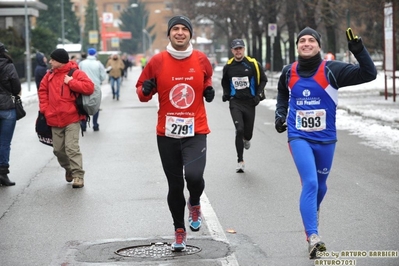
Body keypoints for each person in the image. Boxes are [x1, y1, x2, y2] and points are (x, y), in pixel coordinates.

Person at [274, 27, 377, 259]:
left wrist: (358, 49)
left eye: (312, 40)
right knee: (309, 183)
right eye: (302, 40)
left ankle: (311, 212)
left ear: (319, 46)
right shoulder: (288, 71)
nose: (307, 43)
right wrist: (281, 114)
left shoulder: (332, 70)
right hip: (298, 136)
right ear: (297, 45)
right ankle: (313, 236)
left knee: (321, 186)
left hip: (326, 139)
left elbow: (369, 74)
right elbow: (282, 93)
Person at [136, 15, 214, 252]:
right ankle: (179, 231)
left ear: (190, 34)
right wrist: (146, 89)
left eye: (184, 29)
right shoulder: (157, 61)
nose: (180, 32)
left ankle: (195, 202)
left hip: (196, 130)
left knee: (194, 176)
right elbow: (141, 91)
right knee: (174, 184)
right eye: (175, 29)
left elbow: (207, 76)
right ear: (169, 34)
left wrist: (208, 88)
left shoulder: (201, 59)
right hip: (167, 133)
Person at [38, 48, 94, 188]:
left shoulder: (75, 73)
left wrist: (71, 82)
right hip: (54, 119)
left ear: (61, 61)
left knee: (72, 148)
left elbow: (89, 87)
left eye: (53, 59)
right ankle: (69, 169)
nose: (50, 61)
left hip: (72, 118)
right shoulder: (49, 75)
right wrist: (45, 109)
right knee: (58, 150)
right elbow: (42, 91)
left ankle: (78, 176)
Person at [221, 39, 267, 173]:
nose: (238, 51)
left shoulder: (253, 64)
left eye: (240, 48)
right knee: (239, 129)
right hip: (235, 102)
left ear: (244, 49)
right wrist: (226, 94)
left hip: (249, 102)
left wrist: (258, 95)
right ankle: (240, 160)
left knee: (248, 134)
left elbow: (263, 79)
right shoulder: (228, 66)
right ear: (232, 51)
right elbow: (224, 82)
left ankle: (247, 139)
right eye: (235, 49)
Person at [0, 42, 21, 186]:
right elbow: (16, 87)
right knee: (5, 142)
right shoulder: (8, 66)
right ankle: (2, 173)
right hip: (7, 107)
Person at [78, 48, 106, 132]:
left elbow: (77, 73)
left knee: (84, 106)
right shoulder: (98, 64)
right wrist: (99, 80)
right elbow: (103, 76)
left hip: (83, 87)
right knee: (95, 106)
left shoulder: (82, 63)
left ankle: (83, 125)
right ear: (95, 54)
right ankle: (95, 125)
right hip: (95, 88)